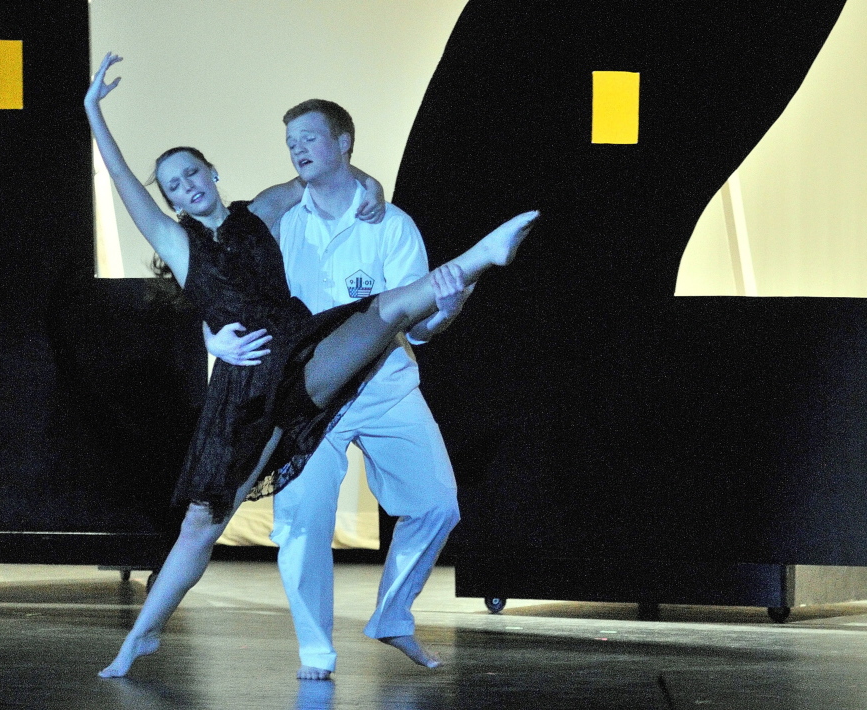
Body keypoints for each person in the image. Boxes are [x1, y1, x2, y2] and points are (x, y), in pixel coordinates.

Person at [85, 52, 538, 679]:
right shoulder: (179, 241)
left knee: (382, 317)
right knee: (203, 527)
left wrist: (374, 188)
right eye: (173, 185)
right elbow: (125, 186)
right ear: (171, 201)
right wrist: (92, 113)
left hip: (315, 357)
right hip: (250, 391)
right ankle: (143, 636)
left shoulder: (262, 214)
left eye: (193, 172)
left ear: (213, 172)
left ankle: (475, 260)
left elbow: (329, 179)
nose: (186, 186)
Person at [205, 99, 471, 679]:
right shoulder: (277, 224)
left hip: (384, 388)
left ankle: (393, 615)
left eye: (310, 138)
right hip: (308, 399)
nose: (297, 148)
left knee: (437, 504)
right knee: (302, 520)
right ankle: (316, 651)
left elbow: (420, 329)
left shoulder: (393, 225)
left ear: (345, 141)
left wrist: (446, 308)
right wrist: (215, 338)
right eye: (290, 141)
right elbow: (214, 276)